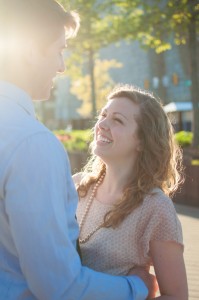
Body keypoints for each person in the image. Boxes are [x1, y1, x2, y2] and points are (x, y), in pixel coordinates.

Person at [0, 1, 156, 299]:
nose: (62, 66)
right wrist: (137, 287)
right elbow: (59, 286)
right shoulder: (33, 144)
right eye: (60, 50)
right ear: (30, 50)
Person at [73, 84, 189, 299]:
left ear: (142, 141)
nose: (102, 124)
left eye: (117, 120)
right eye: (103, 114)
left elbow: (176, 296)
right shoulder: (76, 186)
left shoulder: (155, 207)